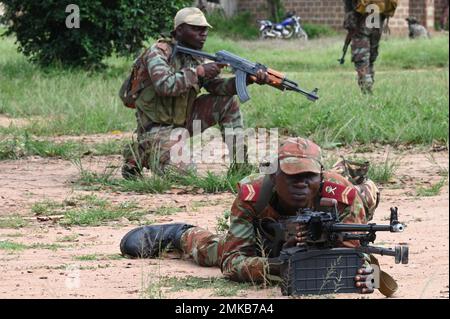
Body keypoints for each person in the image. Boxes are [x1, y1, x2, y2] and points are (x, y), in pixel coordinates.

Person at [120, 137, 381, 294]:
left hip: (331, 232)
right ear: (274, 176)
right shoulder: (253, 195)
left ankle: (360, 183)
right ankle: (181, 234)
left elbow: (357, 255)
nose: (301, 183)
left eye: (309, 176)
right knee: (215, 251)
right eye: (292, 176)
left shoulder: (341, 195)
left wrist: (369, 275)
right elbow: (233, 261)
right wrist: (276, 267)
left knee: (365, 195)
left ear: (321, 176)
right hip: (267, 235)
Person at [121, 7, 269, 179]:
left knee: (228, 102)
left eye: (205, 29)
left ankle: (241, 167)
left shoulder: (196, 57)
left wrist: (248, 80)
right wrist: (198, 72)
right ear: (179, 30)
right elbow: (164, 85)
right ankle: (138, 153)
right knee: (184, 175)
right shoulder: (158, 52)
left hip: (183, 120)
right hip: (156, 126)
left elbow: (218, 87)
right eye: (196, 29)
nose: (203, 33)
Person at [343, 0, 393, 94]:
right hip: (377, 13)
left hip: (361, 16)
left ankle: (366, 85)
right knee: (371, 53)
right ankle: (368, 82)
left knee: (362, 54)